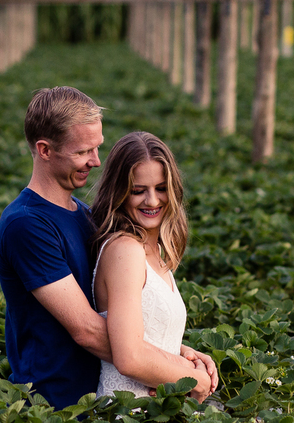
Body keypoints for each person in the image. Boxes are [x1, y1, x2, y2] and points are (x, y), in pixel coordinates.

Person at [0, 87, 216, 408]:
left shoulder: (85, 215)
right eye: (83, 151)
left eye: (97, 148)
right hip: (56, 403)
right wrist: (173, 372)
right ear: (44, 150)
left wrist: (175, 355)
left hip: (98, 394)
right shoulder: (27, 224)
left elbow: (117, 315)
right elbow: (86, 328)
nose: (96, 161)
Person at [90, 131, 216, 400]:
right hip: (127, 417)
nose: (153, 201)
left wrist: (184, 355)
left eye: (161, 188)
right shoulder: (125, 250)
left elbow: (144, 331)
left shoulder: (155, 249)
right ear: (119, 192)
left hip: (158, 414)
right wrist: (196, 380)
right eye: (138, 191)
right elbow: (129, 358)